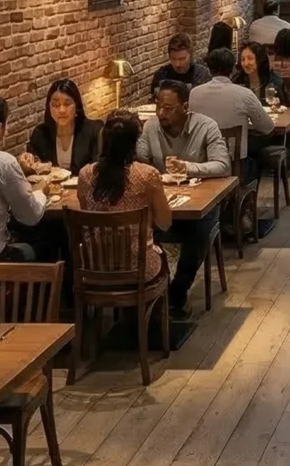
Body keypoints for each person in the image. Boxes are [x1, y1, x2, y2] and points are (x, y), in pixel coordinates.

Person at [138, 80, 230, 319]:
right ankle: (152, 291)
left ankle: (178, 290)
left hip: (201, 204)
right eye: (158, 106)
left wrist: (188, 168)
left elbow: (223, 165)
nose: (161, 113)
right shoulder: (150, 127)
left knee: (197, 231)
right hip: (164, 203)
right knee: (142, 226)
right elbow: (139, 160)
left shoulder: (206, 126)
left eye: (168, 108)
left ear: (185, 107)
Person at [78, 110, 172, 283]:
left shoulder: (85, 175)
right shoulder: (147, 175)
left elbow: (86, 215)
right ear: (135, 142)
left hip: (96, 267)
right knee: (162, 255)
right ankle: (150, 308)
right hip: (138, 269)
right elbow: (164, 223)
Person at [189, 48, 275, 182]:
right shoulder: (244, 94)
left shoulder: (194, 94)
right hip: (236, 164)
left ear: (209, 69)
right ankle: (247, 199)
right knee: (256, 158)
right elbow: (267, 127)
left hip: (202, 162)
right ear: (233, 68)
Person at [0, 96, 47, 261]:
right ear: (0, 128)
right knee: (37, 246)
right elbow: (30, 215)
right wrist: (41, 191)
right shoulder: (2, 162)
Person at [26, 79, 103, 175]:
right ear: (49, 107)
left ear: (77, 106)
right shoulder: (40, 133)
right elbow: (32, 168)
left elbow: (98, 169)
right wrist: (26, 162)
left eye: (67, 104)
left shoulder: (94, 130)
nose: (62, 110)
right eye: (56, 105)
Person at [150, 34, 211, 98]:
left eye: (182, 59)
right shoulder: (161, 75)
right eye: (173, 59)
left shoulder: (201, 74)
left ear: (190, 55)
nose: (177, 64)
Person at [234, 41, 285, 105]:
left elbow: (286, 109)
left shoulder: (275, 83)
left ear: (260, 60)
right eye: (242, 59)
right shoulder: (237, 83)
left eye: (250, 58)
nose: (246, 63)